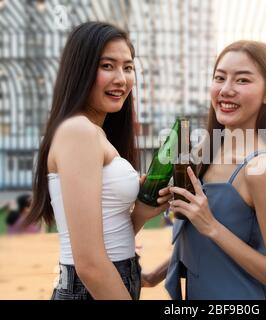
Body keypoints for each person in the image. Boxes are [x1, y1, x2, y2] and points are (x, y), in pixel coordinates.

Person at [25, 22, 171, 300]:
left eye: (128, 68)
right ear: (80, 70)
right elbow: (90, 264)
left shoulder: (95, 133)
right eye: (107, 66)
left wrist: (140, 212)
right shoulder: (78, 132)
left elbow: (106, 235)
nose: (121, 79)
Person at [144, 40, 266, 300]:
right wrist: (153, 276)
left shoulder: (259, 168)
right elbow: (203, 244)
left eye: (242, 80)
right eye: (220, 78)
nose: (226, 90)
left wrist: (212, 226)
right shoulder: (207, 149)